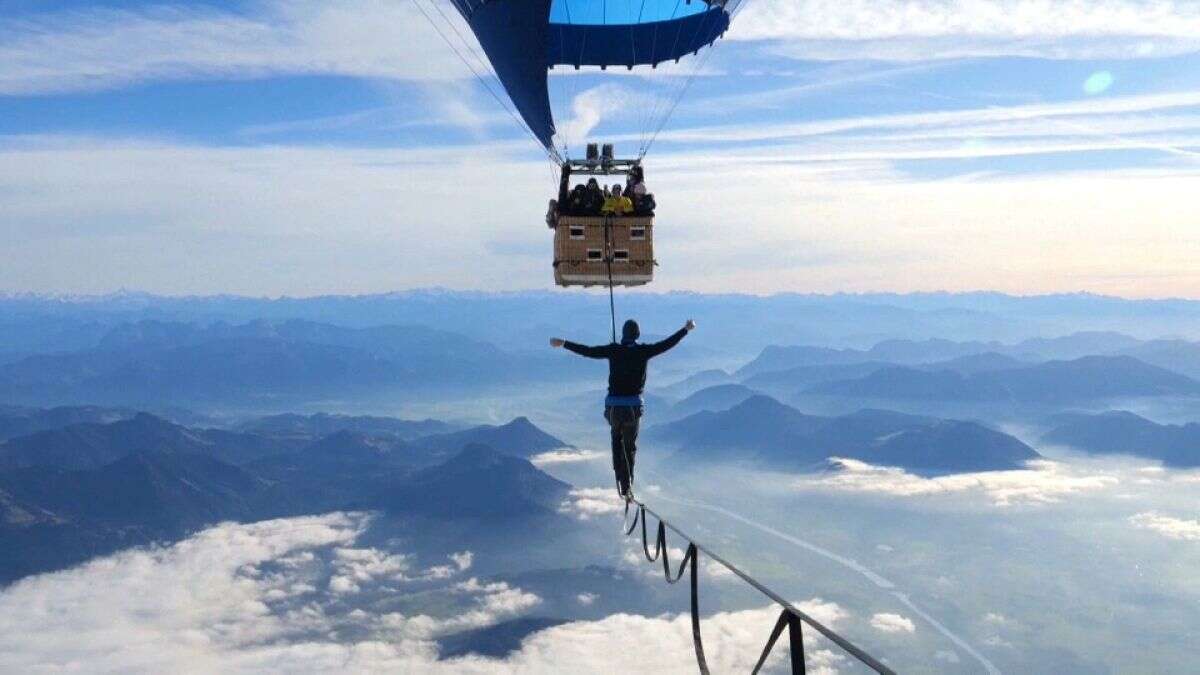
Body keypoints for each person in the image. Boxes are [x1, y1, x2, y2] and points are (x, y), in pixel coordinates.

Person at [551, 318, 696, 499]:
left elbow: (588, 351)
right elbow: (666, 344)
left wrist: (564, 343)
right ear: (637, 335)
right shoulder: (644, 351)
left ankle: (619, 478)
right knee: (629, 448)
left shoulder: (613, 350)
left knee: (616, 440)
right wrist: (686, 329)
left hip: (613, 408)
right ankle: (627, 487)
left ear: (623, 334)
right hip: (633, 409)